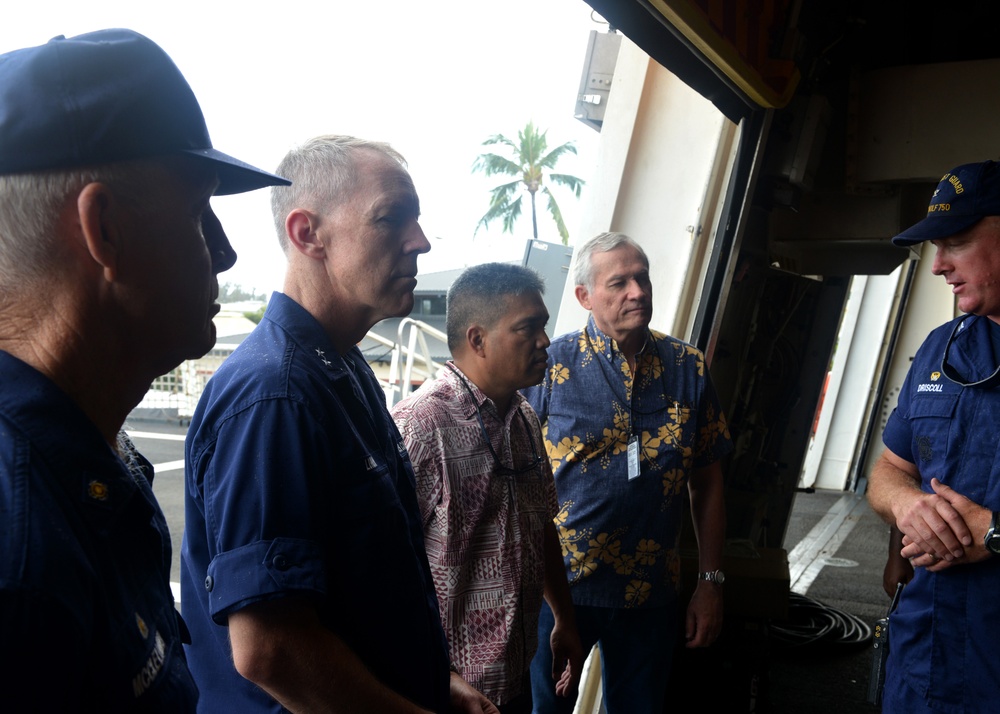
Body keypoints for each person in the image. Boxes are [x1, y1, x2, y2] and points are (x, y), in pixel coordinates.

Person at [0, 28, 288, 712]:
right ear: (106, 232)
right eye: (197, 210)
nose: (224, 253)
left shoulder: (87, 462)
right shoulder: (20, 565)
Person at [181, 135, 499, 714]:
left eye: (418, 220)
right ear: (308, 235)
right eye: (391, 219)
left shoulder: (342, 367)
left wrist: (436, 682)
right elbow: (271, 650)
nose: (420, 241)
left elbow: (360, 593)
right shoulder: (274, 395)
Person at [522, 232, 732, 714]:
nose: (636, 291)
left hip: (652, 594)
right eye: (618, 283)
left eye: (642, 278)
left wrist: (711, 581)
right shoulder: (549, 365)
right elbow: (513, 475)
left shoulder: (688, 367)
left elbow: (708, 482)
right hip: (561, 592)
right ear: (584, 297)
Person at [391, 263, 584, 714]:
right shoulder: (420, 426)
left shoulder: (523, 418)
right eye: (527, 328)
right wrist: (444, 677)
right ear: (477, 339)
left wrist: (564, 619)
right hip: (444, 691)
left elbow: (541, 525)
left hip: (513, 680)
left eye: (544, 326)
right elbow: (384, 568)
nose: (544, 342)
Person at [867, 159, 1000, 713]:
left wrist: (994, 535)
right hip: (921, 663)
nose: (938, 266)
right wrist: (907, 508)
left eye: (958, 242)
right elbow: (888, 470)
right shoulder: (938, 349)